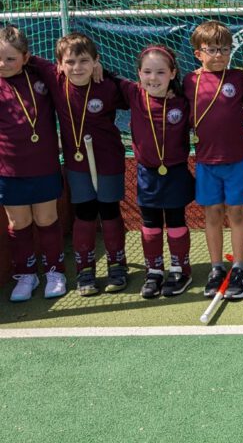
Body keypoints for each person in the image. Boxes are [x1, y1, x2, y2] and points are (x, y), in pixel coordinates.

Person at [28, 32, 128, 296]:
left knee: (109, 211)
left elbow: (138, 95)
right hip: (77, 163)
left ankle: (117, 265)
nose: (77, 67)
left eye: (84, 61)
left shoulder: (108, 85)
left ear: (96, 60)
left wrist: (104, 69)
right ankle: (85, 269)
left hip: (109, 160)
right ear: (59, 65)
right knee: (84, 213)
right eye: (70, 62)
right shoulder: (55, 79)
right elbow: (26, 57)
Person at [116, 45, 195, 299]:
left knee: (176, 222)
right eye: (147, 72)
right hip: (147, 174)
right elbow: (108, 77)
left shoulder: (183, 100)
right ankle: (154, 271)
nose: (153, 78)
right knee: (150, 224)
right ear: (138, 74)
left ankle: (180, 270)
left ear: (173, 73)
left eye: (161, 72)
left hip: (175, 173)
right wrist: (96, 67)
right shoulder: (133, 94)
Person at [184, 20, 243, 301]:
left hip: (237, 160)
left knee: (236, 212)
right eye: (212, 49)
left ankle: (239, 268)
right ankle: (216, 267)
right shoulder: (188, 82)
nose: (220, 55)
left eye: (225, 49)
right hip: (206, 161)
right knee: (212, 214)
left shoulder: (238, 78)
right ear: (198, 53)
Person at [0, 24, 66, 301]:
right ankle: (25, 275)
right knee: (19, 223)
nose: (3, 64)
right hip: (9, 170)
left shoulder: (39, 75)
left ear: (26, 57)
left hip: (43, 166)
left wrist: (32, 60)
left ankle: (55, 271)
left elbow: (63, 71)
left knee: (46, 219)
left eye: (10, 58)